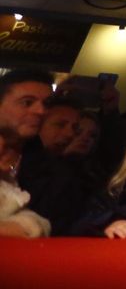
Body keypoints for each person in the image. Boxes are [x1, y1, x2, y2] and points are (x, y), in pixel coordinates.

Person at [16, 95, 94, 235]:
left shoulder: (70, 173)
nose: (69, 134)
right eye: (60, 124)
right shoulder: (16, 160)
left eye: (74, 128)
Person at [0, 68, 53, 239]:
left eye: (46, 104)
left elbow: (48, 224)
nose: (40, 111)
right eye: (27, 102)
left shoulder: (53, 172)